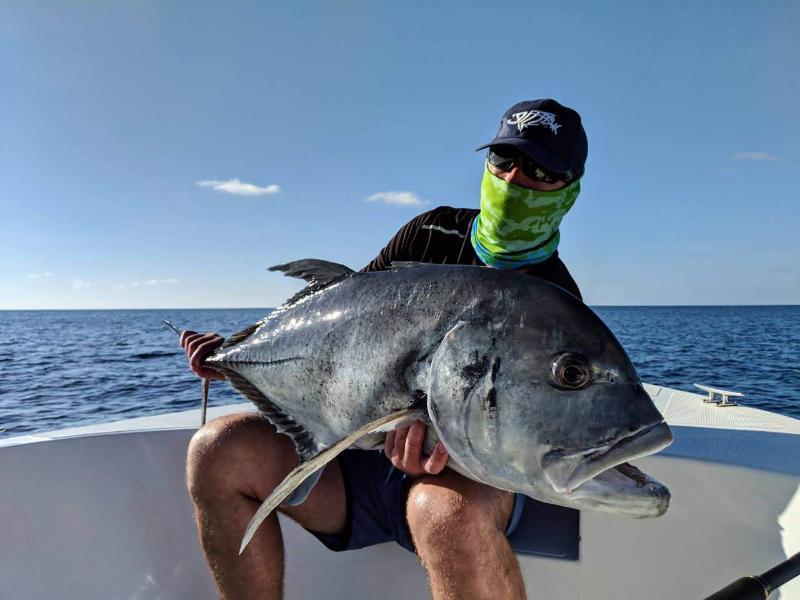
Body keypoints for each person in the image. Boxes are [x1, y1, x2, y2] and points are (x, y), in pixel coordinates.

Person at [181, 98, 588, 600]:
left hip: (468, 475)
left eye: (541, 169)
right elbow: (344, 317)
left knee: (445, 514)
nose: (514, 180)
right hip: (358, 450)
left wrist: (442, 450)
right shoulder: (431, 230)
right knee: (217, 450)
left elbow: (531, 433)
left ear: (568, 190)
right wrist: (238, 355)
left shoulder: (559, 306)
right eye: (504, 161)